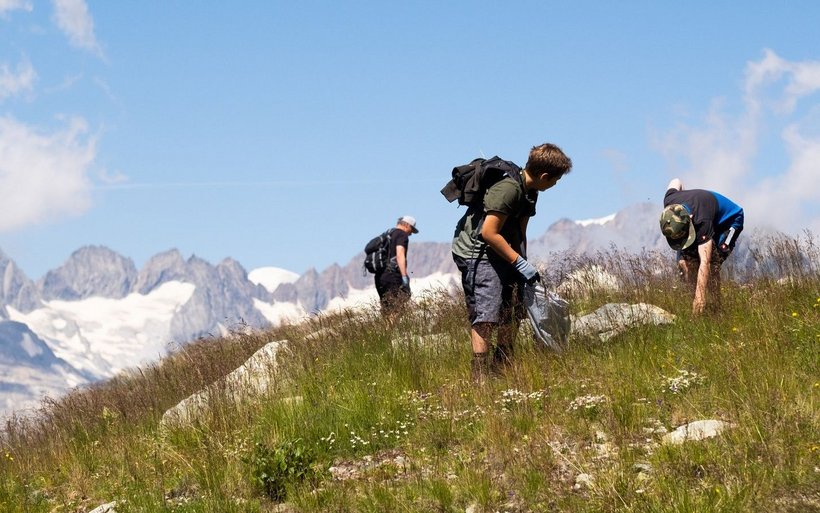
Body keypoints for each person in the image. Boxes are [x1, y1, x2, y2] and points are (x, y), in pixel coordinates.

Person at [451, 143, 573, 381]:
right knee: (487, 314)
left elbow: (520, 230)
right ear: (544, 176)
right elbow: (489, 232)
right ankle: (480, 378)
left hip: (504, 251)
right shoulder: (508, 189)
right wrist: (518, 262)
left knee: (513, 309)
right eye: (555, 180)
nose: (555, 185)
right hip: (478, 253)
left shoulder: (531, 192)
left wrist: (522, 265)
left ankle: (502, 366)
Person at [660, 178, 744, 315]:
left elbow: (705, 262)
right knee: (684, 263)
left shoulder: (701, 221)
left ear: (690, 218)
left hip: (729, 221)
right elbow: (676, 181)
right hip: (698, 217)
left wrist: (700, 297)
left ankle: (716, 308)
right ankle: (693, 303)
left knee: (713, 262)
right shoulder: (670, 200)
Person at [375, 215, 418, 316]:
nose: (411, 233)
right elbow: (400, 255)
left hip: (380, 276)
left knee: (386, 309)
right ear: (407, 225)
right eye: (411, 229)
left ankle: (385, 331)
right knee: (396, 309)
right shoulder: (401, 235)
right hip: (392, 275)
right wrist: (404, 276)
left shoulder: (387, 234)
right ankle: (390, 331)